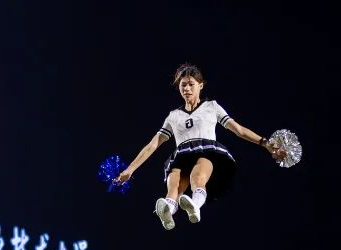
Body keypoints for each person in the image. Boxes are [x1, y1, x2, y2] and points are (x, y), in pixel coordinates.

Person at [114, 63, 288, 229]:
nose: (186, 89)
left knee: (197, 176)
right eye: (183, 85)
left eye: (191, 84)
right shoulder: (173, 116)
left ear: (201, 85)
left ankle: (195, 205)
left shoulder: (212, 107)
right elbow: (152, 145)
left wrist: (265, 143)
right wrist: (130, 170)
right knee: (174, 182)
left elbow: (239, 130)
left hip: (207, 153)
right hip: (181, 156)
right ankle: (168, 210)